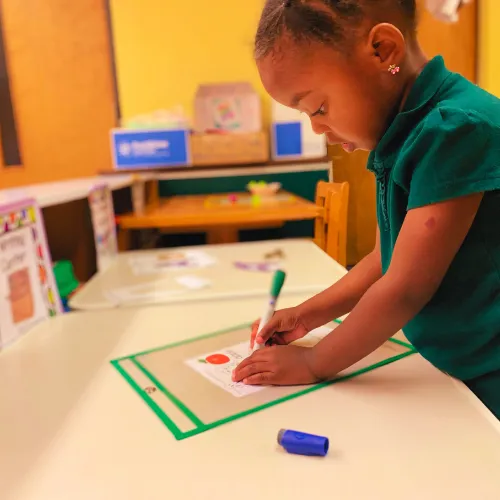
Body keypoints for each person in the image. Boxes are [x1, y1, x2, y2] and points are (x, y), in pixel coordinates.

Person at [232, 0, 500, 419]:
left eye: (317, 108)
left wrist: (313, 363)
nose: (317, 128)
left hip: (487, 378)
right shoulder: (405, 131)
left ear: (383, 51)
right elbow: (383, 261)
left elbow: (405, 289)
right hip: (447, 372)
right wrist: (306, 316)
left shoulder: (454, 129)